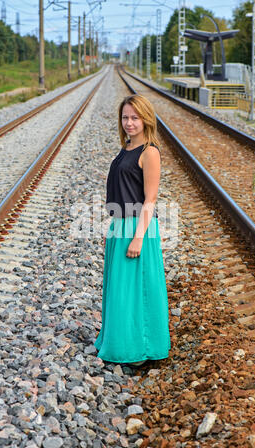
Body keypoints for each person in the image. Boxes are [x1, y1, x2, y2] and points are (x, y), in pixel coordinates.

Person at [94, 94, 171, 367]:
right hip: (120, 226)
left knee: (136, 290)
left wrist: (138, 237)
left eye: (135, 118)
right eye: (125, 117)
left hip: (138, 227)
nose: (129, 123)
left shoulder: (149, 152)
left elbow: (150, 199)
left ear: (146, 119)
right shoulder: (126, 148)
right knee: (120, 290)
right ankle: (120, 342)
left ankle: (140, 349)